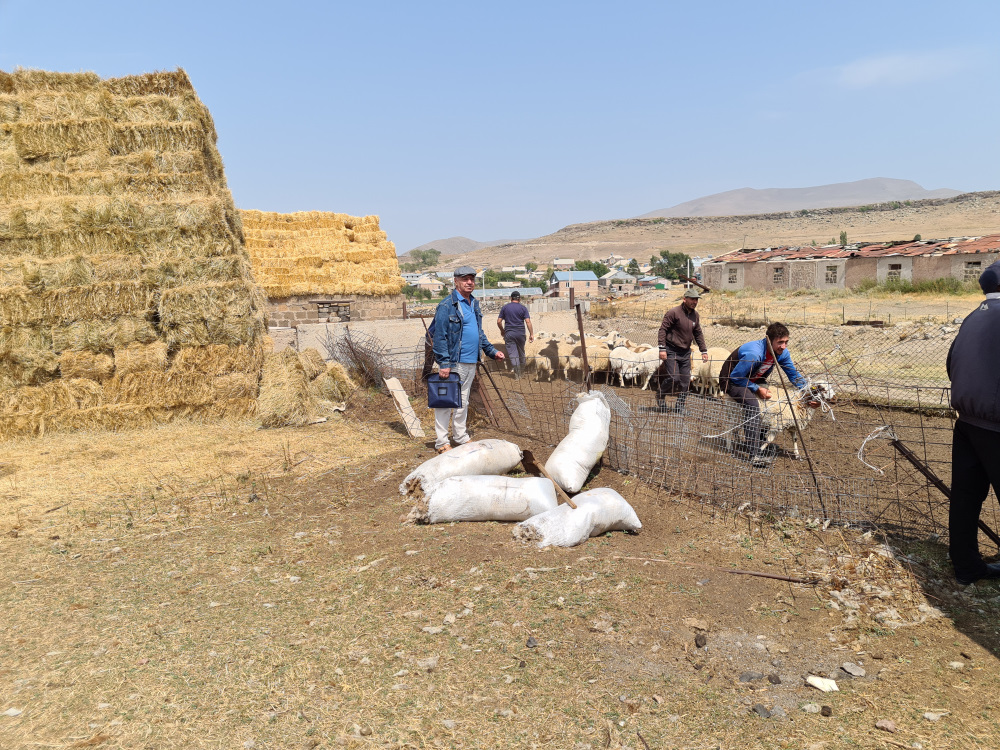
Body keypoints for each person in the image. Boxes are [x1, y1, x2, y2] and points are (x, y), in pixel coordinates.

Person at [946, 258, 1000, 585]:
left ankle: (966, 567)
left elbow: (952, 364)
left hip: (966, 423)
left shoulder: (972, 317)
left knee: (965, 499)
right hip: (996, 426)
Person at [431, 266, 505, 453]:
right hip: (454, 362)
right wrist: (444, 363)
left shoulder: (474, 304)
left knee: (463, 401)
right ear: (455, 281)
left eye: (472, 279)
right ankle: (441, 442)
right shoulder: (447, 306)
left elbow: (479, 333)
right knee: (446, 401)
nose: (470, 282)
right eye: (465, 279)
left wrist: (491, 351)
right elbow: (439, 336)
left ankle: (460, 436)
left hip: (471, 362)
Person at [719, 322, 808, 467]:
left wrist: (810, 391)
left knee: (771, 404)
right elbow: (736, 377)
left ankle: (760, 441)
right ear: (769, 340)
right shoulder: (754, 354)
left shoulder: (781, 353)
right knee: (753, 406)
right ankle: (754, 454)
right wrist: (756, 388)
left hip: (753, 379)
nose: (783, 346)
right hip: (732, 380)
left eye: (786, 342)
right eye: (780, 342)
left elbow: (793, 375)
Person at [655, 288, 709, 412]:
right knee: (674, 377)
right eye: (692, 299)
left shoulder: (695, 315)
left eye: (696, 300)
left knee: (685, 381)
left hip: (685, 352)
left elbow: (698, 333)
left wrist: (703, 350)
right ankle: (660, 395)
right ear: (685, 299)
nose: (694, 302)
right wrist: (662, 348)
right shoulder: (673, 313)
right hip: (671, 350)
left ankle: (680, 406)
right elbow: (663, 330)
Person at [497, 291, 534, 376]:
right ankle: (522, 371)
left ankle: (518, 374)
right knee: (521, 352)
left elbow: (499, 321)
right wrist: (531, 334)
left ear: (511, 298)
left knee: (513, 354)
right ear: (519, 299)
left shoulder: (505, 308)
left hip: (509, 333)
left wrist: (502, 331)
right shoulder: (523, 308)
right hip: (521, 334)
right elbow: (528, 322)